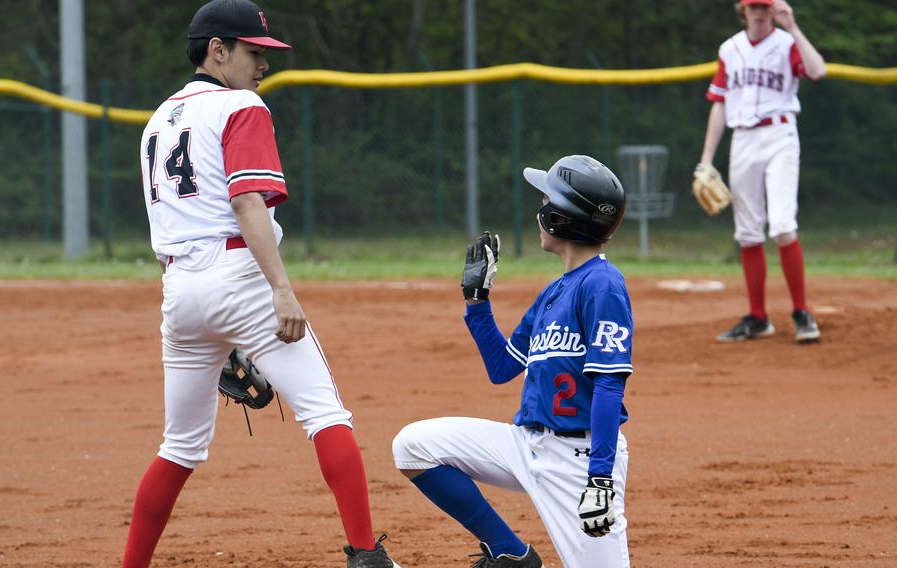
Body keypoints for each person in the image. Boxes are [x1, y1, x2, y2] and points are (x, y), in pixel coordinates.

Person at [124, 1, 400, 567]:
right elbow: (247, 201)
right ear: (216, 50)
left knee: (179, 446)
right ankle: (367, 555)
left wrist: (203, 320)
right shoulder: (241, 105)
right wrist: (281, 289)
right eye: (253, 52)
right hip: (241, 276)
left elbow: (166, 227)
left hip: (178, 288)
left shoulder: (157, 121)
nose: (262, 66)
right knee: (325, 415)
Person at [393, 155, 633, 568]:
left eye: (546, 201)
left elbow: (610, 385)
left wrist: (601, 478)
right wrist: (477, 303)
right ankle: (510, 553)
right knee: (413, 447)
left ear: (562, 219)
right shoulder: (556, 291)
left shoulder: (602, 286)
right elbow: (503, 368)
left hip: (579, 461)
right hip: (526, 444)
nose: (539, 209)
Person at [698, 0, 826, 344]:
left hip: (780, 135)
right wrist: (706, 159)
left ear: (774, 10)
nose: (759, 11)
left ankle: (801, 311)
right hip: (743, 140)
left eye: (765, 6)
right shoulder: (730, 48)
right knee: (748, 231)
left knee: (783, 225)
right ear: (743, 9)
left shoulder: (787, 43)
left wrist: (794, 27)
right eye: (754, 6)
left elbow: (818, 71)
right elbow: (720, 104)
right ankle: (758, 318)